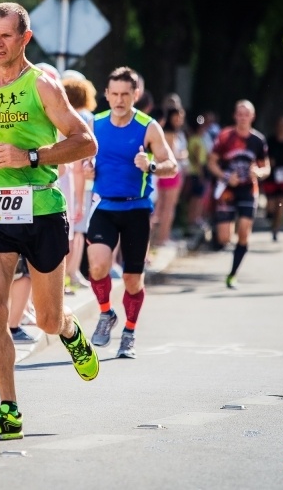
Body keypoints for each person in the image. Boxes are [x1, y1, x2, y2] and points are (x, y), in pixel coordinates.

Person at [0, 2, 99, 441]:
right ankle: (8, 411)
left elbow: (85, 142)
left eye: (6, 36)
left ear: (24, 38)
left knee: (48, 320)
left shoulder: (44, 86)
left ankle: (70, 329)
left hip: (41, 209)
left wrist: (31, 156)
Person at [87, 67, 178, 359]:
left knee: (132, 280)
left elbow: (172, 165)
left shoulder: (148, 127)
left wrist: (150, 166)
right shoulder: (95, 123)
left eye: (125, 94)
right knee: (98, 265)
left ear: (135, 95)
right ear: (106, 94)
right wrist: (87, 166)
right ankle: (106, 313)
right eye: (114, 94)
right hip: (104, 205)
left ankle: (129, 332)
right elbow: (83, 157)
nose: (119, 100)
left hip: (137, 209)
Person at [206, 100, 270, 289]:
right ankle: (216, 228)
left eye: (246, 114)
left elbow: (266, 167)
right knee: (225, 238)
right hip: (227, 190)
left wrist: (258, 173)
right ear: (235, 116)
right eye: (239, 114)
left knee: (243, 233)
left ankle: (232, 274)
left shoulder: (258, 140)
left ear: (252, 117)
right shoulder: (225, 137)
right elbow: (211, 162)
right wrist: (225, 175)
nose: (243, 118)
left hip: (249, 190)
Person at [62, 76, 98, 287]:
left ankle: (70, 276)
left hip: (64, 178)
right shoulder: (85, 117)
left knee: (70, 232)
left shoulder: (59, 116)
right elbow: (84, 157)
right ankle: (72, 274)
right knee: (76, 231)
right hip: (78, 180)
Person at [152, 107, 185, 246]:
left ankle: (158, 238)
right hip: (171, 172)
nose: (179, 119)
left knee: (160, 207)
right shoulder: (171, 134)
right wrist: (183, 155)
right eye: (177, 116)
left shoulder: (165, 132)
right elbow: (170, 155)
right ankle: (163, 238)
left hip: (162, 173)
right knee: (167, 207)